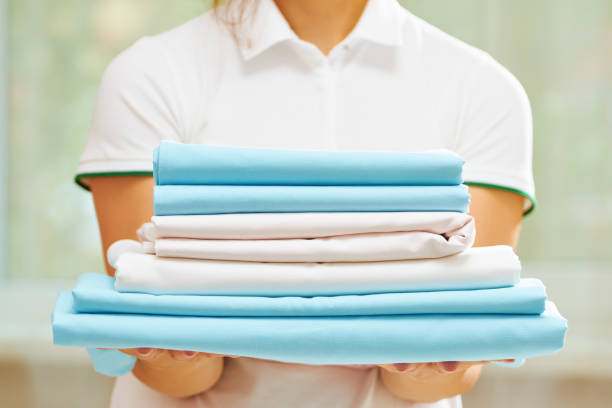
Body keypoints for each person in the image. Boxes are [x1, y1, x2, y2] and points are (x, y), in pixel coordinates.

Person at [75, 0, 535, 406]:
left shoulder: (484, 91)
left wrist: (433, 356)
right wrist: (172, 346)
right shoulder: (150, 75)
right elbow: (170, 365)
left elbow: (448, 362)